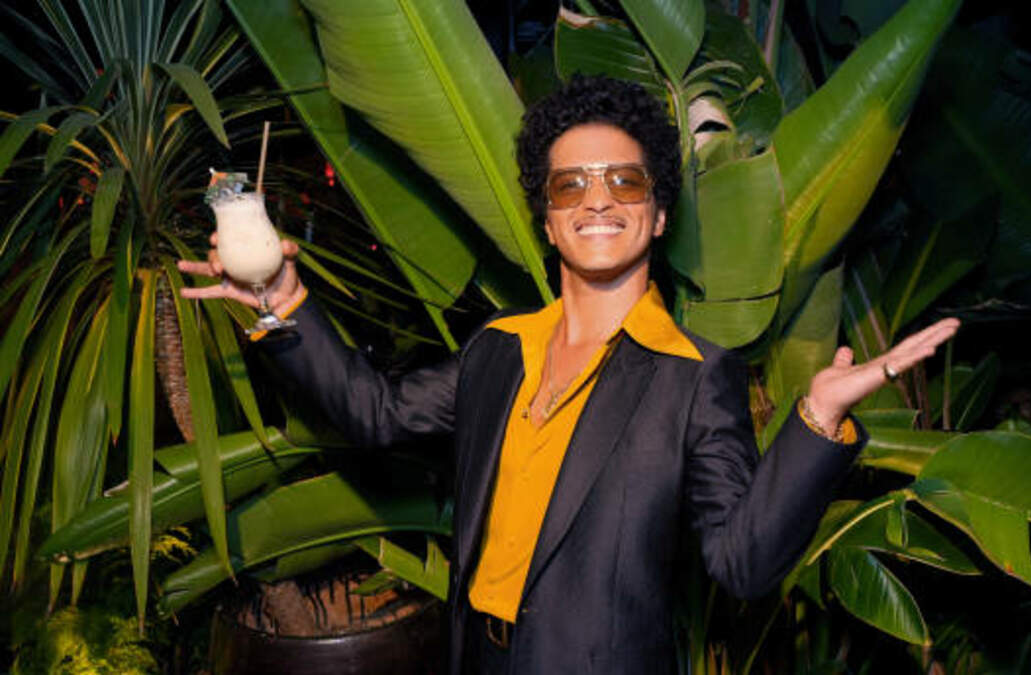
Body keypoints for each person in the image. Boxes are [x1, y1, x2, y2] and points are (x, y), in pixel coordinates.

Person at [180, 75, 959, 674]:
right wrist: (283, 303)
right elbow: (375, 412)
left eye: (626, 181)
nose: (598, 200)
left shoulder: (694, 377)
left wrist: (818, 420)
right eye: (570, 184)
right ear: (548, 220)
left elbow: (742, 563)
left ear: (659, 213)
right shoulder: (499, 347)